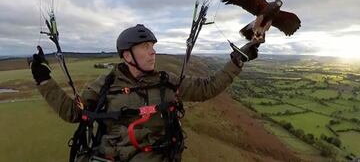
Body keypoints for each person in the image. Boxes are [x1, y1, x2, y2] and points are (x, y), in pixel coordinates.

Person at [30, 23, 261, 162]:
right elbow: (73, 113)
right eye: (145, 47)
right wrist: (43, 78)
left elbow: (207, 87)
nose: (153, 53)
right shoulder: (106, 84)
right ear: (127, 55)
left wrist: (238, 59)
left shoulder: (166, 82)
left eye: (153, 47)